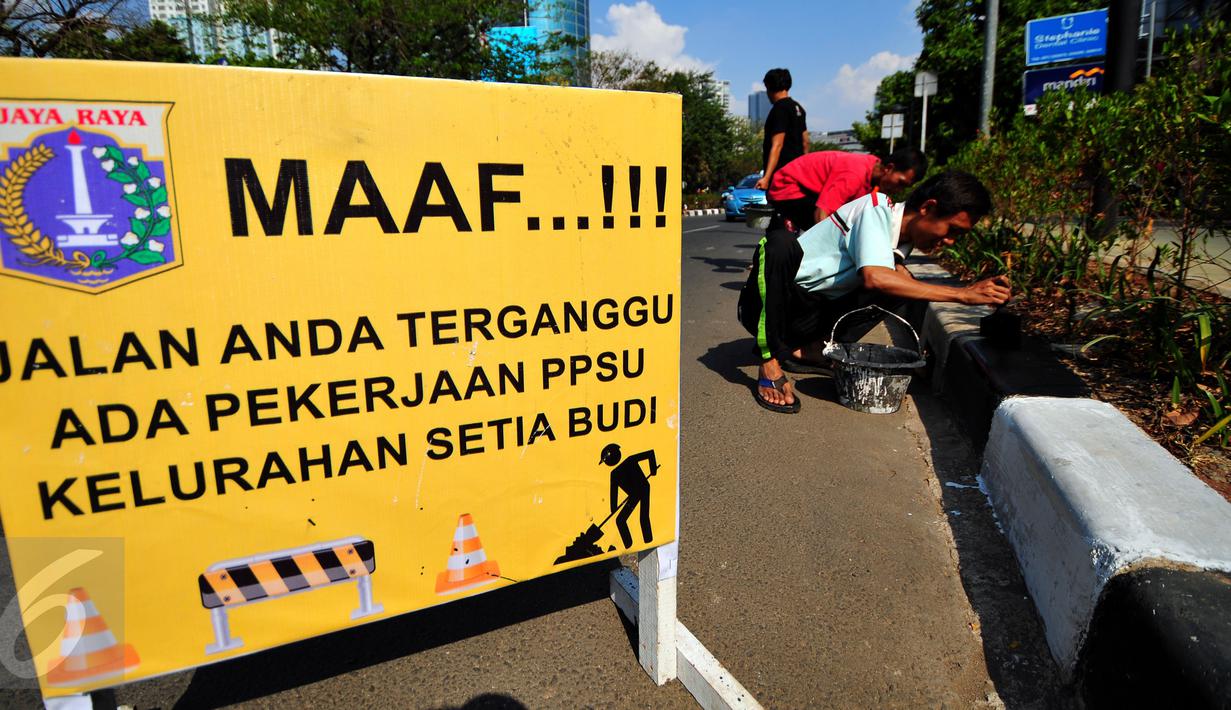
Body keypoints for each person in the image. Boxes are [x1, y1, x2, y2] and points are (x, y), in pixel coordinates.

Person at [737, 171, 1012, 413]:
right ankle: (769, 359)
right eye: (952, 230)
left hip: (805, 316)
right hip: (768, 306)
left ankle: (808, 351)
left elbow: (896, 281)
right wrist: (963, 294)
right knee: (779, 243)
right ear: (929, 207)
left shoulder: (900, 244)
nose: (950, 241)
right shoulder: (875, 209)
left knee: (903, 283)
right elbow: (875, 278)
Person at [768, 147, 928, 233]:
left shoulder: (873, 172)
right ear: (889, 168)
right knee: (832, 232)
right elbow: (822, 213)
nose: (898, 190)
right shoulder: (854, 174)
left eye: (904, 187)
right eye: (900, 183)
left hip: (809, 190)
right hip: (786, 188)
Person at [754, 68, 808, 191]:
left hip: (782, 176)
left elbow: (777, 144)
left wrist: (766, 178)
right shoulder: (798, 108)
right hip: (797, 174)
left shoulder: (779, 109)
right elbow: (805, 142)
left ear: (769, 87)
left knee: (780, 207)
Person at [599, 443, 657, 548]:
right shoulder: (614, 473)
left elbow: (650, 453)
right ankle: (628, 545)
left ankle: (648, 541)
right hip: (633, 495)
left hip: (643, 488)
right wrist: (613, 508)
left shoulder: (630, 460)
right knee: (620, 520)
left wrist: (653, 469)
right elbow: (614, 492)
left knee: (643, 517)